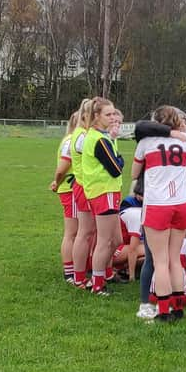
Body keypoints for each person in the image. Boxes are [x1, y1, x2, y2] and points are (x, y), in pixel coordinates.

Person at [131, 106, 186, 322]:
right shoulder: (185, 140)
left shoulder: (146, 143)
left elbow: (134, 174)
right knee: (175, 259)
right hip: (181, 203)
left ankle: (163, 311)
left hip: (157, 204)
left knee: (160, 260)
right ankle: (178, 308)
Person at [82, 97, 124, 295]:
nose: (113, 118)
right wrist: (120, 160)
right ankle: (97, 282)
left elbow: (116, 162)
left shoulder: (104, 136)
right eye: (108, 114)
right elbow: (116, 168)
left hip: (108, 190)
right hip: (103, 191)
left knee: (116, 239)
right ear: (97, 116)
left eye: (114, 113)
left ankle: (104, 273)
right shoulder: (98, 139)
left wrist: (115, 143)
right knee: (105, 240)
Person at [70, 98, 96, 289]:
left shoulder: (83, 134)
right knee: (84, 232)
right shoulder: (82, 137)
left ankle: (86, 270)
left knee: (90, 232)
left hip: (89, 186)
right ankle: (79, 276)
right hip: (85, 187)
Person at [50, 112, 79, 282]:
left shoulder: (74, 139)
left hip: (74, 189)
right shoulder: (71, 141)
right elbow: (62, 168)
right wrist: (57, 182)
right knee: (72, 233)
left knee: (79, 232)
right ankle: (69, 271)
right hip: (71, 189)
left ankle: (78, 267)